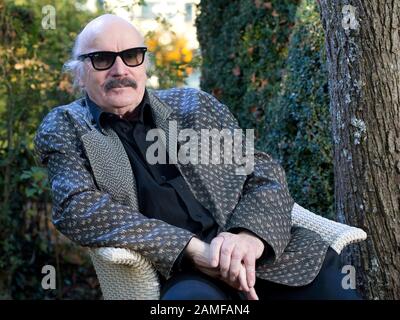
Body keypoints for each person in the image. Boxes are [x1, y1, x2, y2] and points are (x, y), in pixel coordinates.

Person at [34, 14, 360, 300]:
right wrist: (191, 249)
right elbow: (76, 208)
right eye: (102, 59)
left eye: (131, 55)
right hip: (182, 271)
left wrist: (250, 237)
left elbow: (263, 173)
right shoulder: (67, 126)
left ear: (144, 65)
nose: (120, 69)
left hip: (269, 256)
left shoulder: (194, 105)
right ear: (79, 74)